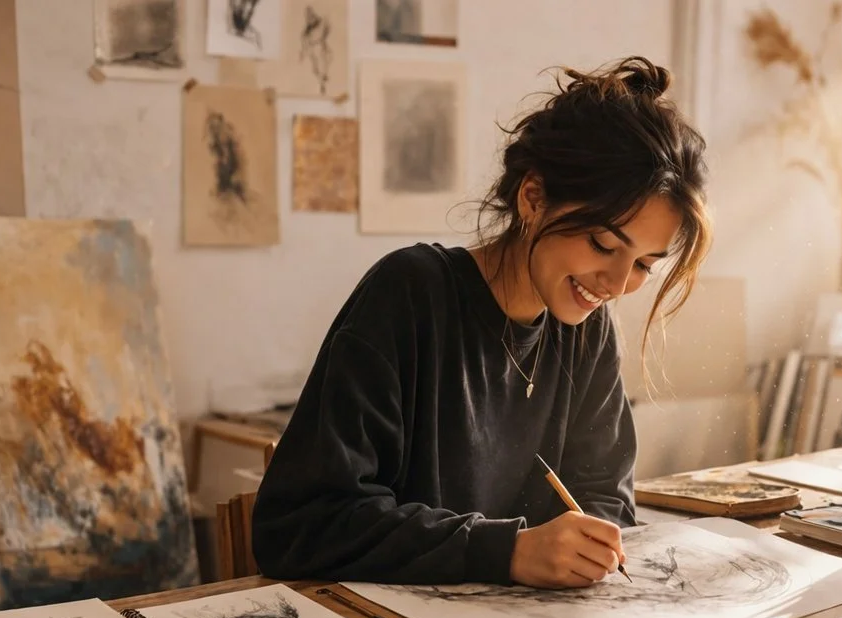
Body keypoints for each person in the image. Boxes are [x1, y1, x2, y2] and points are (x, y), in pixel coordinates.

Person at [252, 55, 711, 589]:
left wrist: (591, 544)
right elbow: (303, 525)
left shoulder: (589, 330)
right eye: (602, 244)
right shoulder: (410, 294)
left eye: (642, 266)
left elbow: (605, 496)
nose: (614, 283)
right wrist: (508, 551)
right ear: (533, 198)